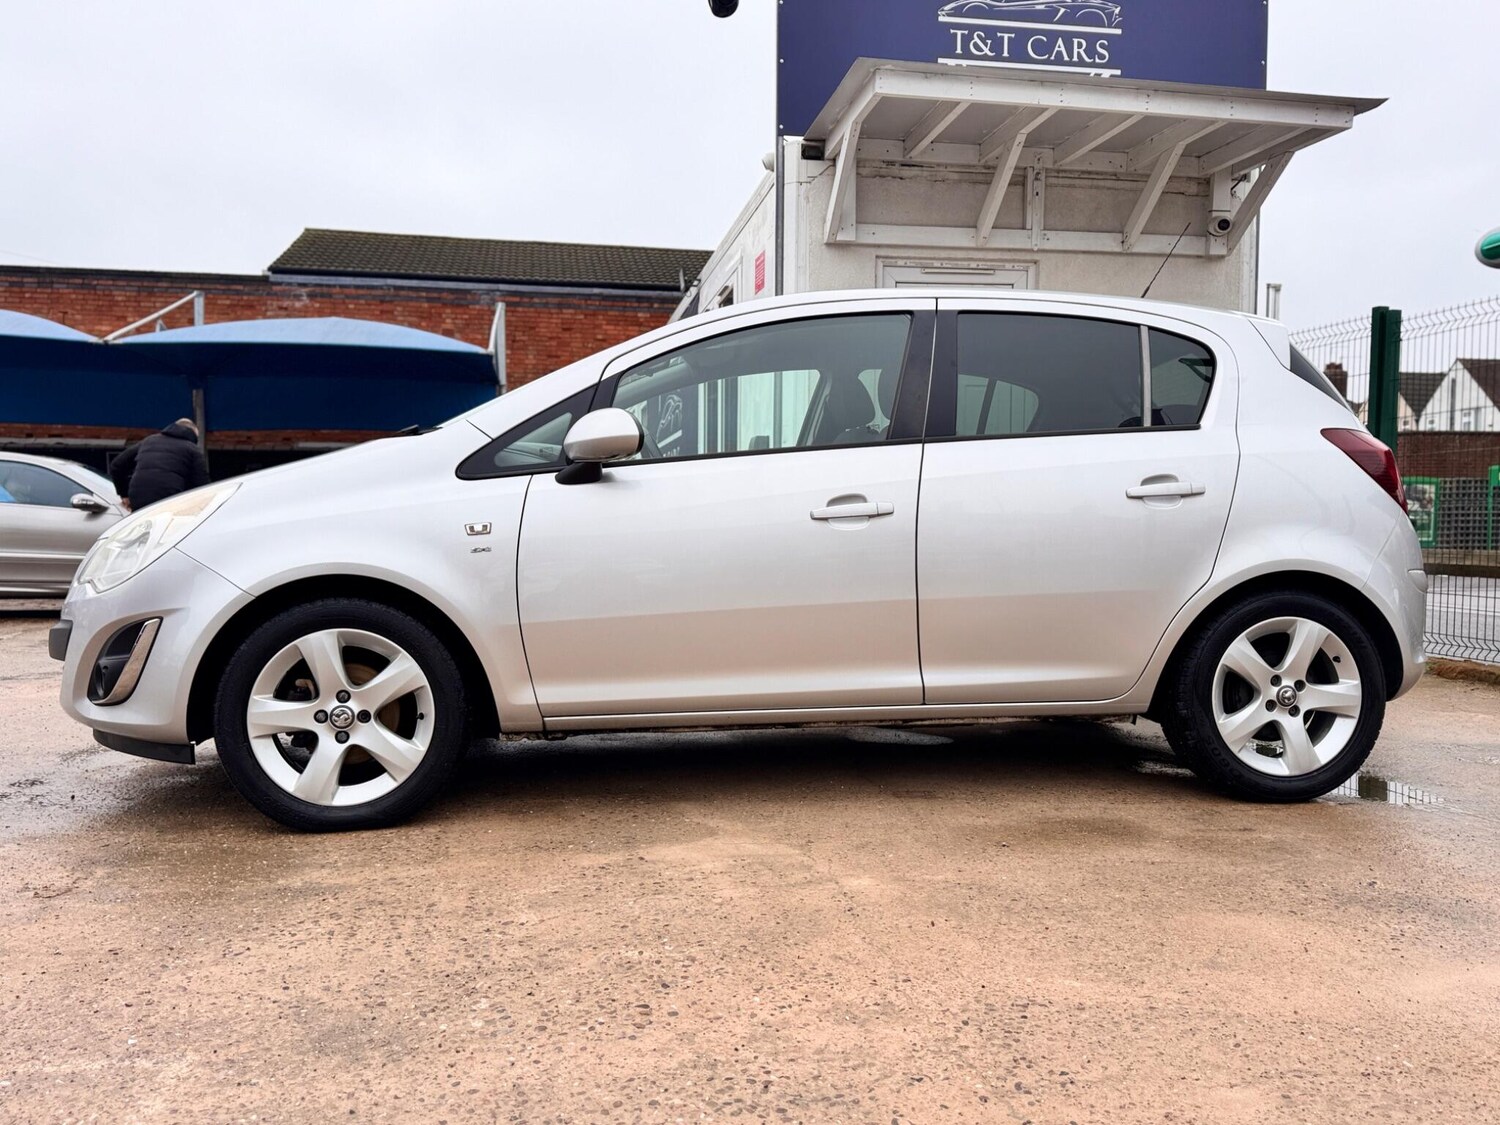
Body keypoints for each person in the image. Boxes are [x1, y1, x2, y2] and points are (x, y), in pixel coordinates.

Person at [110, 418, 211, 512]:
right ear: (193, 434)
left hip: (138, 497)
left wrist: (124, 494)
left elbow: (116, 465)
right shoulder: (192, 449)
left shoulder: (149, 441)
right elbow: (202, 486)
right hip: (169, 499)